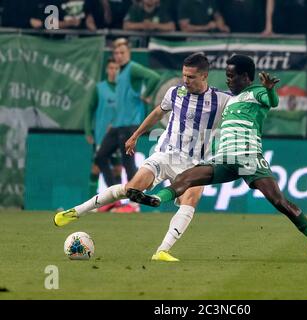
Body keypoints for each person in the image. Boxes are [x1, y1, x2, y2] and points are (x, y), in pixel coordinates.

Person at [128, 54, 307, 263]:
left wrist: (270, 90)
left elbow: (271, 102)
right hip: (225, 159)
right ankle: (156, 199)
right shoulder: (228, 99)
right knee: (186, 178)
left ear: (245, 77)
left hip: (249, 159)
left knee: (279, 202)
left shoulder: (256, 93)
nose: (227, 79)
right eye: (226, 75)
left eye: (231, 76)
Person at [54, 53, 232, 261]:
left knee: (191, 199)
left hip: (194, 165)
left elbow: (246, 107)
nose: (185, 80)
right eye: (184, 75)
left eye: (191, 77)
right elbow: (158, 113)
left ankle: (162, 251)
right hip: (166, 155)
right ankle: (76, 212)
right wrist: (136, 135)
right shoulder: (175, 92)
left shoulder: (221, 99)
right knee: (131, 189)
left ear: (204, 76)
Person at [93, 38, 159, 192]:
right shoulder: (120, 72)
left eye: (122, 52)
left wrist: (145, 94)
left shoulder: (132, 68)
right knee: (101, 157)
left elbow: (154, 77)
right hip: (117, 125)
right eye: (116, 53)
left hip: (129, 125)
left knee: (128, 165)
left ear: (129, 53)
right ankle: (113, 195)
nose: (119, 55)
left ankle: (135, 200)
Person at [84, 58, 126, 209]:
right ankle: (91, 205)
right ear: (107, 70)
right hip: (102, 135)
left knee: (117, 169)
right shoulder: (99, 88)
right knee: (96, 168)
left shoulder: (124, 89)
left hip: (119, 136)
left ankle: (116, 204)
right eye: (111, 68)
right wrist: (88, 130)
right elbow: (89, 109)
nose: (114, 71)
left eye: (117, 68)